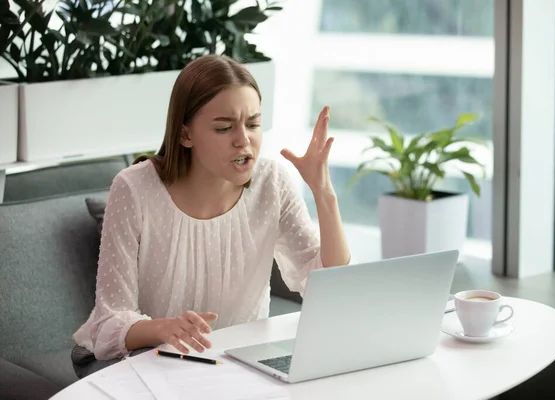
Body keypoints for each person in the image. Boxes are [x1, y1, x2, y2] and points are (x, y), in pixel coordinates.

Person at [71, 54, 351, 378]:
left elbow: (328, 285)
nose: (243, 140)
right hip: (136, 358)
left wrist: (324, 194)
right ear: (185, 135)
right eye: (224, 127)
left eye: (253, 124)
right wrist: (165, 328)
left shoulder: (272, 182)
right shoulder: (134, 189)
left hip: (233, 365)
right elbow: (110, 321)